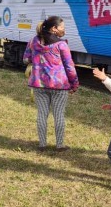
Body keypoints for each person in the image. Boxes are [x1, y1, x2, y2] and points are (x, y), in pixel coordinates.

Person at [23, 16, 79, 152]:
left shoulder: (33, 41)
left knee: (42, 114)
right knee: (59, 114)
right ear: (54, 29)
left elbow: (25, 59)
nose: (63, 30)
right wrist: (74, 84)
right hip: (59, 85)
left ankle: (42, 144)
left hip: (39, 84)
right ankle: (60, 145)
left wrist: (36, 61)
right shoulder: (61, 45)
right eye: (62, 28)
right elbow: (69, 66)